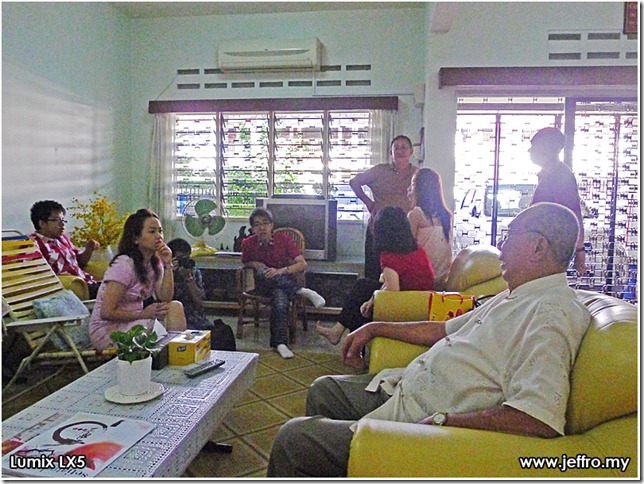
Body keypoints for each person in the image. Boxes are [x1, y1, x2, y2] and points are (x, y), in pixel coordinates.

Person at [268, 202, 591, 477]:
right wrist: (375, 327)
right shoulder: (515, 295)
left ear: (538, 247)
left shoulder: (550, 313)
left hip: (425, 423)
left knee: (293, 439)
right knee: (324, 389)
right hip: (407, 389)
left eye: (510, 236)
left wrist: (445, 420)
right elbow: (442, 330)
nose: (501, 246)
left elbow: (537, 417)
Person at [316, 206, 435, 345]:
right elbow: (392, 284)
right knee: (362, 287)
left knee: (360, 303)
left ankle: (351, 345)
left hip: (407, 304)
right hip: (424, 301)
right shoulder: (416, 248)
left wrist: (371, 300)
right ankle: (339, 332)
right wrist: (372, 298)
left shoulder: (389, 256)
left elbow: (393, 291)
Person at [89, 208, 187, 351]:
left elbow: (165, 297)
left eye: (160, 231)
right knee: (153, 329)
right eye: (152, 232)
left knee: (175, 307)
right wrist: (143, 314)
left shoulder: (154, 263)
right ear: (136, 238)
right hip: (108, 329)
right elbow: (106, 312)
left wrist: (167, 264)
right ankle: (167, 358)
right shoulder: (124, 264)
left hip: (137, 321)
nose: (159, 236)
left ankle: (177, 357)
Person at [241, 208, 326, 359]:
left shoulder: (284, 240)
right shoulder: (247, 243)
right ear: (253, 229)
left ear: (272, 225)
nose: (262, 228)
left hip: (282, 285)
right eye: (257, 224)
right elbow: (246, 262)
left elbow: (302, 264)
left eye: (265, 223)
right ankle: (302, 291)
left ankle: (280, 343)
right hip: (262, 286)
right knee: (262, 272)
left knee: (280, 300)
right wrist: (255, 264)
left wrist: (280, 271)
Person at [350, 135, 418, 281]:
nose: (400, 151)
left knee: (401, 276)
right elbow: (354, 182)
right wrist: (369, 203)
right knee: (374, 275)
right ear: (390, 151)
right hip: (378, 230)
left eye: (404, 147)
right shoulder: (379, 170)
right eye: (396, 148)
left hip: (404, 233)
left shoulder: (416, 174)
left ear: (411, 152)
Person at [528, 127, 586, 274]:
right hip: (541, 249)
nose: (530, 151)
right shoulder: (548, 174)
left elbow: (574, 215)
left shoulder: (561, 176)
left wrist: (580, 250)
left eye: (533, 145)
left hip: (548, 252)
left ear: (546, 148)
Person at [29, 200, 101, 298]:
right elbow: (35, 275)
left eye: (63, 220)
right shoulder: (33, 244)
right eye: (57, 220)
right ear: (42, 223)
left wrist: (89, 249)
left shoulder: (62, 239)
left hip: (86, 283)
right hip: (66, 288)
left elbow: (81, 262)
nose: (62, 224)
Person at [407, 168, 453, 290]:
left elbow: (406, 251)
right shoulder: (446, 216)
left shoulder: (416, 215)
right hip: (442, 279)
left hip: (422, 281)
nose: (409, 189)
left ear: (420, 189)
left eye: (412, 185)